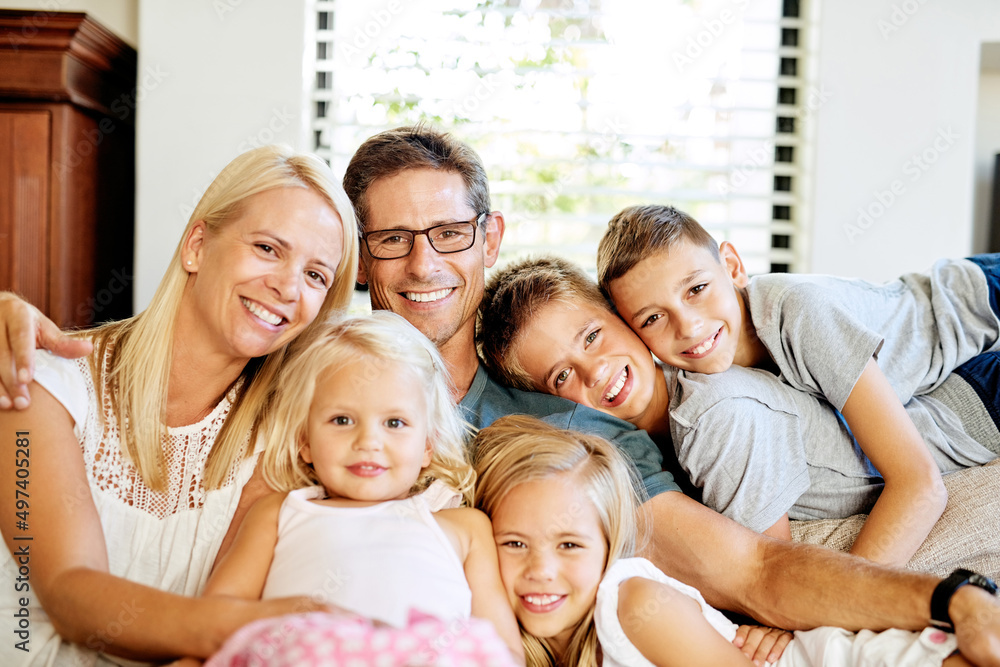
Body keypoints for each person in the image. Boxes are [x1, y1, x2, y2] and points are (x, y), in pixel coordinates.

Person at [5, 126, 1000, 664]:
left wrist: (944, 596)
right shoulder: (305, 380)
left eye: (448, 233)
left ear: (490, 236)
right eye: (388, 238)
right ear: (360, 262)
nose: (422, 262)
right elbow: (144, 367)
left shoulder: (554, 422)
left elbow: (758, 571)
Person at [0, 144, 360, 665]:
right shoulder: (44, 385)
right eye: (266, 248)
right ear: (196, 245)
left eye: (315, 276)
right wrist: (266, 625)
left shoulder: (278, 444)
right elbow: (70, 594)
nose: (286, 286)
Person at [476, 255, 1000, 560]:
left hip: (964, 311)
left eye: (592, 336)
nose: (594, 372)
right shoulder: (644, 457)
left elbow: (775, 565)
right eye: (562, 376)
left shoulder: (712, 402)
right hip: (955, 393)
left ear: (625, 317)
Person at [592, 204, 1000, 567]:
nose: (688, 326)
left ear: (732, 267)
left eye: (697, 289)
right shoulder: (703, 387)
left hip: (971, 302)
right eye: (651, 319)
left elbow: (919, 484)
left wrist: (835, 607)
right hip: (964, 379)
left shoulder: (800, 313)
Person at [473, 415, 974, 667]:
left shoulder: (630, 604)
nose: (540, 569)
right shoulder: (534, 643)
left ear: (610, 548)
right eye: (514, 543)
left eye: (569, 546)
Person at [200, 312, 522, 664]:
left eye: (395, 423)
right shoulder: (278, 512)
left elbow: (502, 650)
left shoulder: (465, 527)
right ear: (305, 440)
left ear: (428, 444)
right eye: (342, 420)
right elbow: (216, 615)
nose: (368, 441)